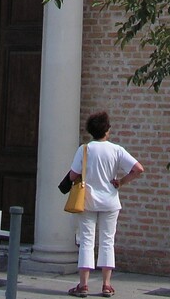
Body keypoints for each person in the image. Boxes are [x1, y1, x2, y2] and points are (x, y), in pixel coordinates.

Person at [66, 111, 144, 298]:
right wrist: (121, 182)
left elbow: (72, 175)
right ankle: (106, 285)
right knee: (107, 241)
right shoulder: (116, 150)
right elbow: (138, 169)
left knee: (86, 241)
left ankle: (83, 285)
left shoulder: (85, 149)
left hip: (88, 201)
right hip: (110, 201)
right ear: (106, 130)